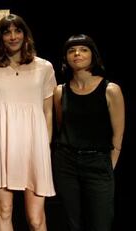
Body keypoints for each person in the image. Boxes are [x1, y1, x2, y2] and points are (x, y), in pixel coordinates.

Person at [0, 14, 56, 231]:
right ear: (0, 38)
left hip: (35, 146)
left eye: (17, 30)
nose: (13, 36)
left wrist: (44, 146)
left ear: (25, 34)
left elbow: (48, 113)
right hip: (1, 146)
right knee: (4, 210)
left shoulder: (45, 68)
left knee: (36, 219)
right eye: (7, 32)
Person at [52, 34, 125, 231]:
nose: (77, 54)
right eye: (71, 50)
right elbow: (61, 127)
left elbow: (117, 136)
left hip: (98, 163)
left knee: (100, 222)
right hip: (66, 163)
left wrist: (108, 165)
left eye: (83, 49)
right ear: (66, 57)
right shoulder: (60, 91)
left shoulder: (110, 89)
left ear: (93, 55)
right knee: (71, 222)